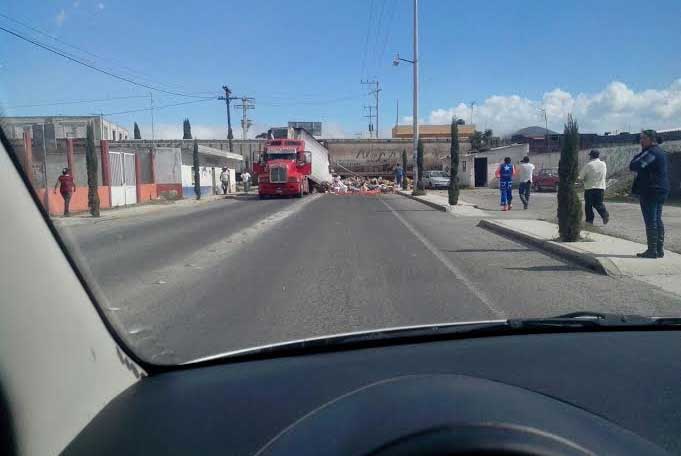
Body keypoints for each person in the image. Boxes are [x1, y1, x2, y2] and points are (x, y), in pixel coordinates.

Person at [630, 130, 669, 258]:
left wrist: (639, 154)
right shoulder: (660, 152)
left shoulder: (651, 152)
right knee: (657, 219)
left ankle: (652, 250)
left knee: (651, 220)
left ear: (651, 139)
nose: (641, 141)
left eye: (643, 138)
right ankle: (659, 249)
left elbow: (634, 165)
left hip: (651, 190)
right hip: (660, 189)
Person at [578, 150, 609, 225]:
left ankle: (589, 221)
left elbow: (581, 177)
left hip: (590, 188)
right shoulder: (603, 164)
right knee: (598, 203)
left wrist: (580, 179)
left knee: (588, 206)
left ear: (591, 156)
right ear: (598, 156)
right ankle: (604, 215)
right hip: (601, 188)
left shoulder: (589, 165)